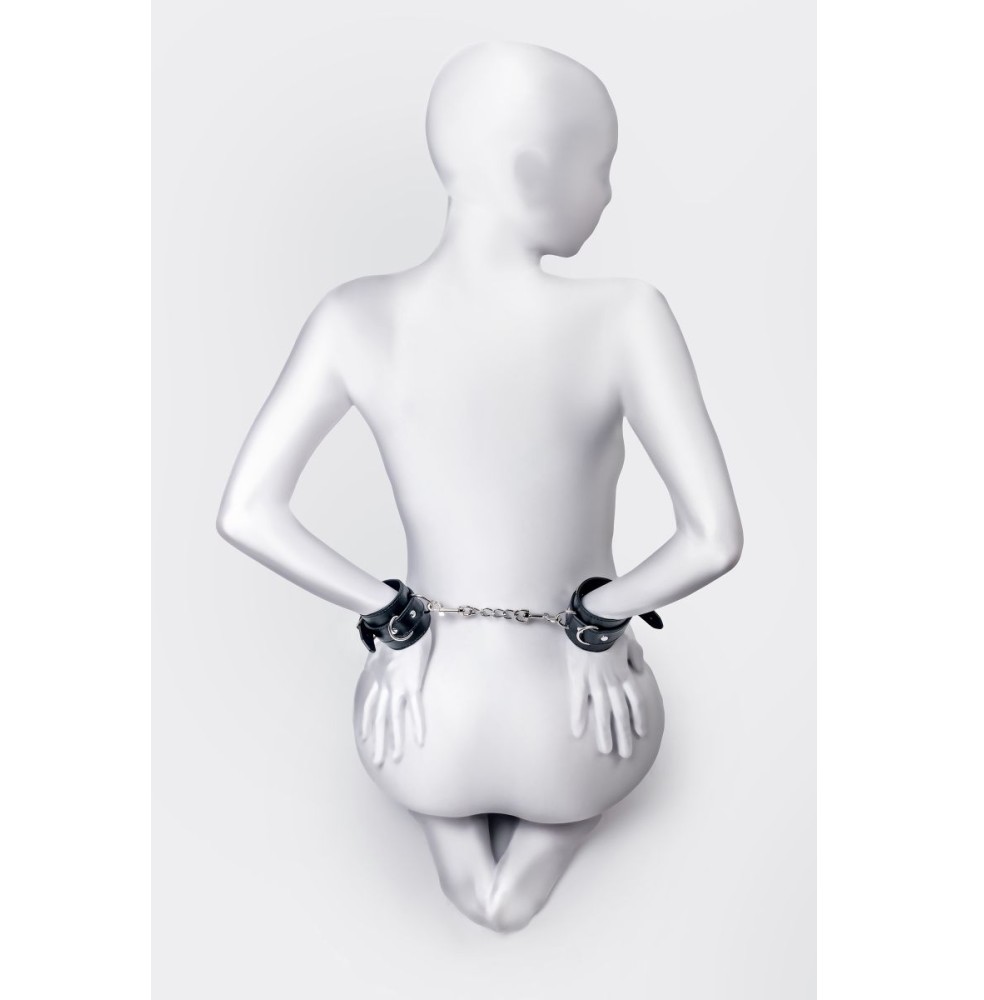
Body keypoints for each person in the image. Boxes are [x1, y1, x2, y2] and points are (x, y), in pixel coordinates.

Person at [216, 40, 744, 932]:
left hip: (417, 723)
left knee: (445, 812)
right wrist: (599, 618)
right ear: (534, 170)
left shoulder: (355, 316)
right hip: (578, 729)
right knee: (567, 803)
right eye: (599, 167)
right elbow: (714, 541)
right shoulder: (626, 316)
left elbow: (246, 513)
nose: (608, 193)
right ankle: (539, 854)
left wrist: (395, 618)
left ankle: (455, 846)